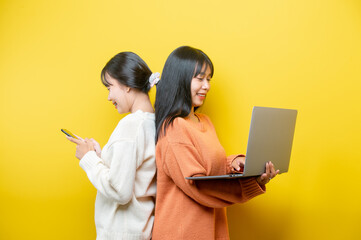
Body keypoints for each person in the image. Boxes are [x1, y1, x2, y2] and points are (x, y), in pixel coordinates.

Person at [152, 46, 279, 240]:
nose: (207, 86)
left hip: (211, 230)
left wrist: (235, 163)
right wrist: (249, 184)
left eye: (209, 79)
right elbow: (197, 184)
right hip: (182, 234)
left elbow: (208, 165)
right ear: (180, 80)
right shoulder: (173, 128)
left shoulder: (204, 121)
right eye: (200, 78)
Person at [66, 52, 158, 240]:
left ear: (127, 86)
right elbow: (134, 177)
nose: (109, 97)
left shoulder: (131, 125)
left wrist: (88, 159)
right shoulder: (153, 123)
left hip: (121, 234)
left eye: (110, 87)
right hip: (140, 230)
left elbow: (120, 191)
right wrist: (102, 157)